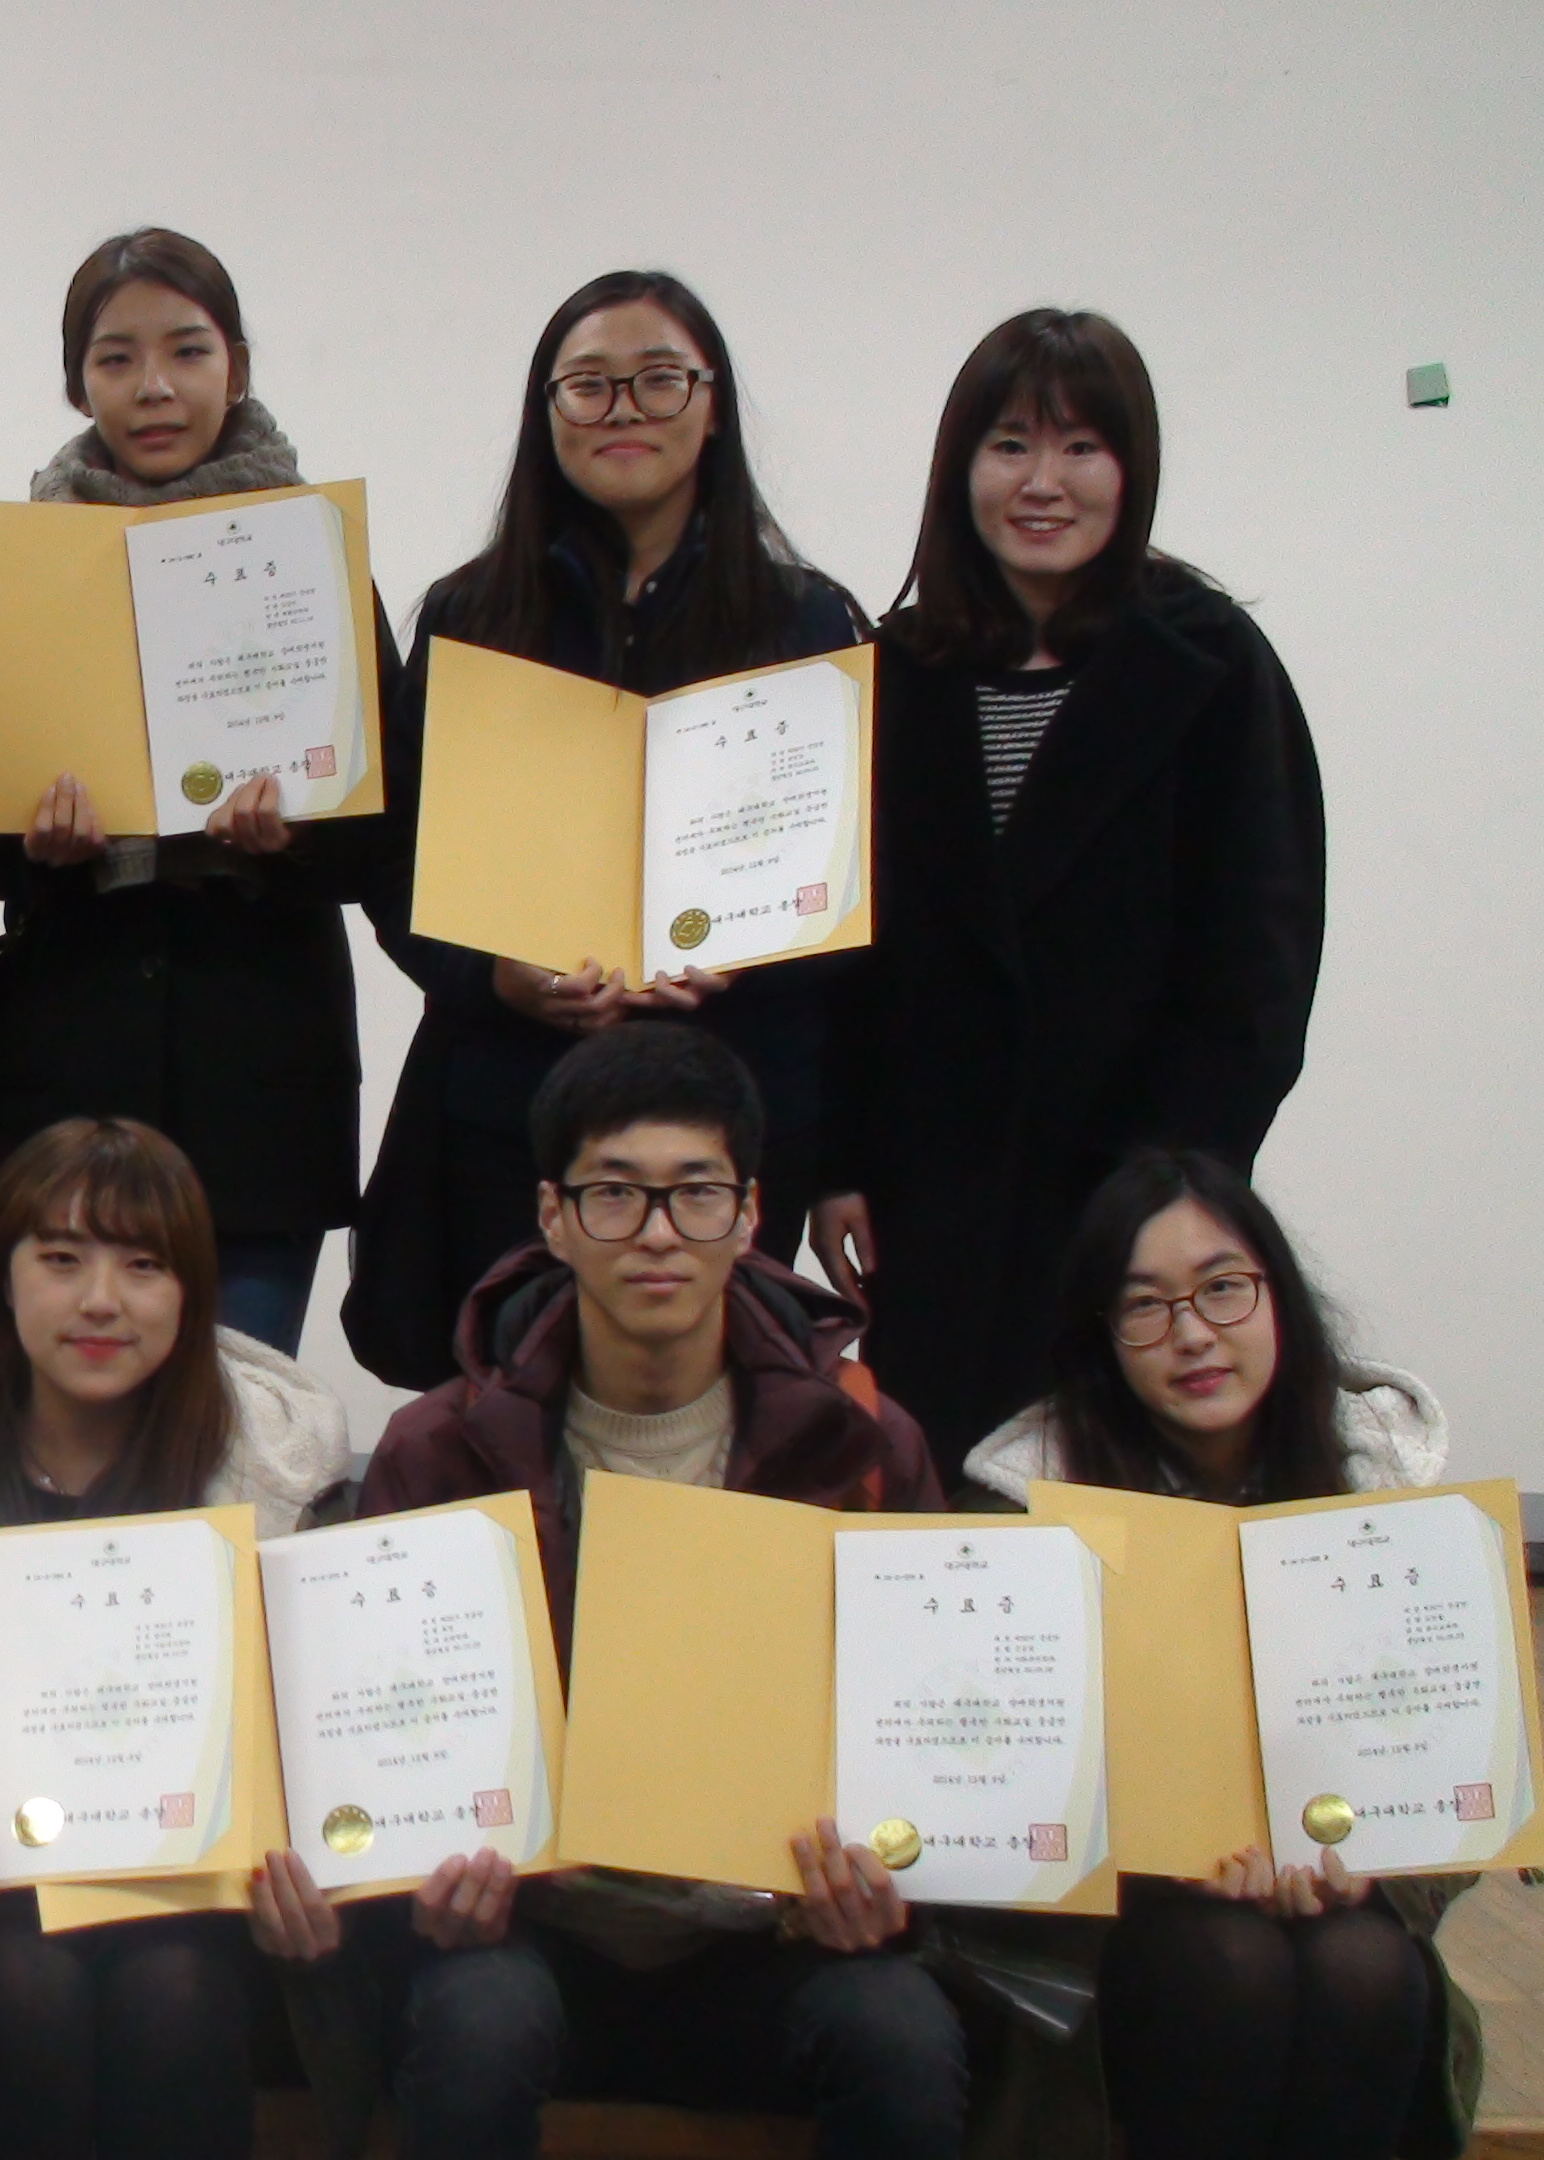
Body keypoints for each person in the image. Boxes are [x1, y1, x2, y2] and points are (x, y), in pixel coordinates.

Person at [338, 1021, 960, 2160]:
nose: (660, 1233)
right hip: (530, 1933)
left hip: (769, 1938)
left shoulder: (861, 1440)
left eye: (697, 1194)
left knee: (901, 2035)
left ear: (751, 1212)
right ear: (553, 1215)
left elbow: (929, 1729)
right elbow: (377, 1736)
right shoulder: (439, 1448)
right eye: (616, 1194)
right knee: (476, 2026)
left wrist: (895, 1877)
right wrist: (414, 1874)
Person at [820, 309, 1328, 1470]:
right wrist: (838, 1161)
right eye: (1009, 445)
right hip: (928, 1193)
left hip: (1129, 1190)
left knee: (1123, 1496)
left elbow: (1259, 963)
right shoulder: (893, 670)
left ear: (1130, 467)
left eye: (1080, 447)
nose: (1042, 483)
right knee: (948, 1497)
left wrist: (1170, 1192)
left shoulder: (1211, 664)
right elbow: (844, 953)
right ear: (960, 469)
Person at [347, 269, 866, 1390]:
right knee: (502, 1421)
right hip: (511, 1112)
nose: (623, 409)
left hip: (732, 1114)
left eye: (659, 380)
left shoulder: (808, 625)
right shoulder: (473, 617)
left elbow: (857, 896)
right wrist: (496, 974)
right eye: (588, 385)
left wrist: (745, 957)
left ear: (713, 407)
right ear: (547, 413)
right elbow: (392, 863)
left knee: (704, 1431)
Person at [0, 1117, 347, 2160]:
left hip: (202, 1918)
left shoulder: (283, 1477)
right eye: (62, 1259)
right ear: (3, 1274)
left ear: (193, 1290)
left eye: (144, 1265)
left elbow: (320, 1753)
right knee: (21, 1985)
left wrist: (323, 1882)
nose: (101, 1301)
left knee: (175, 1991)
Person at [0, 228, 406, 1355]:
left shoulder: (314, 560)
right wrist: (33, 846)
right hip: (72, 1057)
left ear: (236, 369)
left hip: (260, 1073)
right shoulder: (16, 572)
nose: (153, 386)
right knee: (67, 1403)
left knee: (244, 1420)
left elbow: (390, 837)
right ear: (78, 384)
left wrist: (288, 844)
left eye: (188, 351)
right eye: (116, 358)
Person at [964, 1150, 1460, 2160]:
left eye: (1223, 1288)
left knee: (1365, 1964)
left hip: (1335, 1899)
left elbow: (1456, 1780)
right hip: (1106, 1937)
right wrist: (1160, 1861)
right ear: (1103, 1337)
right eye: (1145, 1306)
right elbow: (991, 1798)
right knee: (1230, 1960)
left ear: (1278, 1293)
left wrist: (1373, 1870)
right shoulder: (1027, 1505)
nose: (1192, 1333)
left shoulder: (1381, 1487)